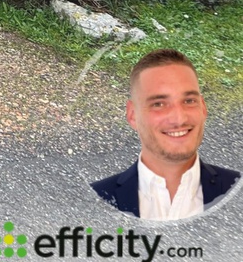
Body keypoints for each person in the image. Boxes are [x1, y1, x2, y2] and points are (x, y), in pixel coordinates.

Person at [92, 48, 239, 219]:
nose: (178, 118)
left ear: (203, 108)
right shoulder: (93, 200)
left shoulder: (237, 189)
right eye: (159, 104)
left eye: (189, 101)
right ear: (133, 115)